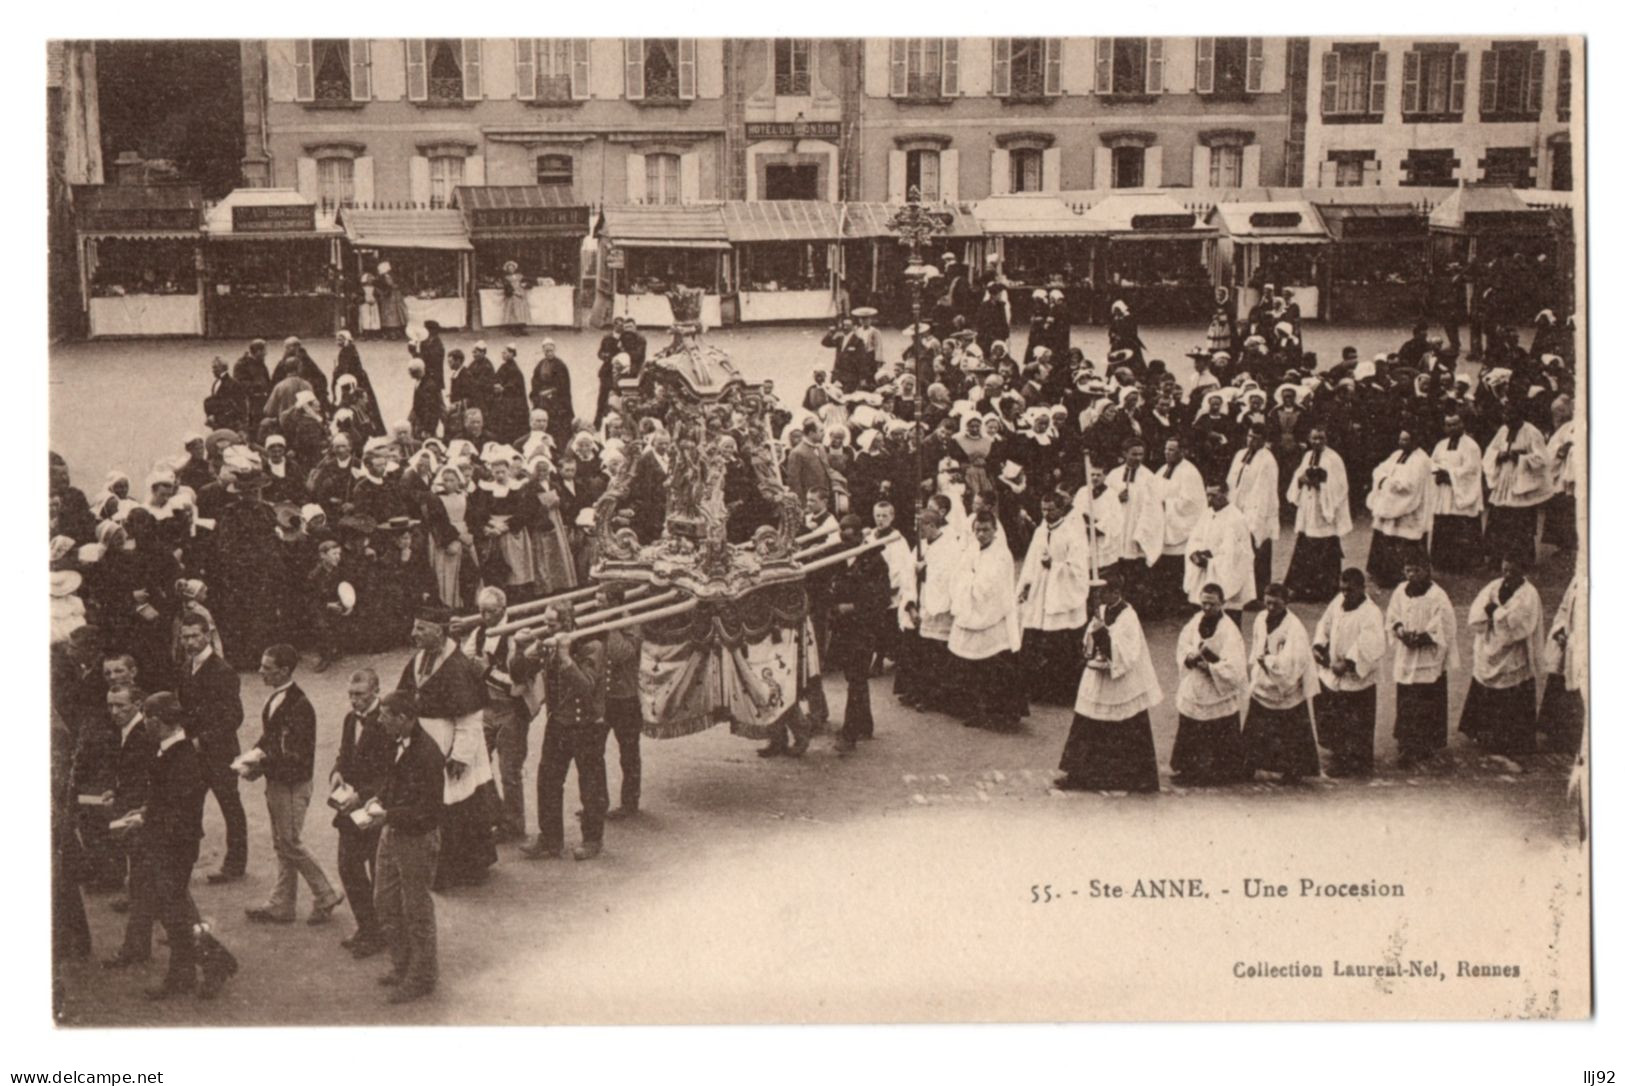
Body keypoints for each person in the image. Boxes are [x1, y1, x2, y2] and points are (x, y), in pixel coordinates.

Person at [128, 693, 239, 1000]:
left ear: (154, 721)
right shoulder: (174, 751)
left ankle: (202, 966)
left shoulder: (181, 757)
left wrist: (145, 822)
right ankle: (194, 969)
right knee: (174, 909)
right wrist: (145, 814)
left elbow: (178, 809)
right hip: (170, 843)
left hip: (173, 846)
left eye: (146, 718)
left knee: (174, 910)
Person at [244, 644, 346, 924]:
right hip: (280, 782)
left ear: (284, 671)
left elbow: (295, 756)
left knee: (290, 842)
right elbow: (270, 737)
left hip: (291, 785)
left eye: (267, 668)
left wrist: (260, 764)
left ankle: (327, 891)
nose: (260, 671)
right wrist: (253, 759)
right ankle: (282, 904)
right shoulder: (279, 698)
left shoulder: (299, 706)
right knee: (282, 843)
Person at [396, 606, 497, 888]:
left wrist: (460, 756)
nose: (413, 634)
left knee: (458, 807)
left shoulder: (458, 666)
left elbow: (469, 717)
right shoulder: (418, 661)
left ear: (438, 631)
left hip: (452, 745)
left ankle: (464, 870)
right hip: (423, 745)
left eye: (421, 629)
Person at [370, 689, 446, 1003]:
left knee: (416, 910)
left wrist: (388, 814)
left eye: (385, 715)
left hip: (415, 838)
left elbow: (428, 811)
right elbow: (392, 779)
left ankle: (422, 976)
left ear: (404, 718)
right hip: (392, 832)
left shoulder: (428, 754)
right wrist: (380, 799)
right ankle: (402, 964)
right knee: (385, 901)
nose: (379, 720)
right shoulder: (397, 741)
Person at [1057, 569, 1162, 793]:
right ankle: (1081, 774)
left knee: (1123, 726)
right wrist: (1092, 642)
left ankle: (1123, 777)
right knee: (1088, 721)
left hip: (1121, 682)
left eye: (1102, 593)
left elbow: (1127, 652)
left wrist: (1103, 635)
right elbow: (1090, 638)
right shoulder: (1102, 610)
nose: (1098, 598)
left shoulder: (1128, 617)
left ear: (1116, 592)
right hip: (1099, 674)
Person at [521, 603, 609, 861]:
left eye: (553, 624)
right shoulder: (548, 643)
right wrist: (523, 650)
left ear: (568, 622)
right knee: (547, 781)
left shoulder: (592, 646)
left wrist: (566, 658)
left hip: (586, 725)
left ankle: (593, 839)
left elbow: (586, 687)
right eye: (546, 623)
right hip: (558, 723)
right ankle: (550, 838)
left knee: (591, 785)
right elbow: (520, 671)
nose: (547, 629)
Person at [175, 613, 246, 884]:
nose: (190, 642)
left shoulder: (222, 671)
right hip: (192, 753)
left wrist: (202, 739)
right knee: (189, 806)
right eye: (185, 637)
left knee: (230, 806)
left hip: (219, 753)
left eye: (195, 636)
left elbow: (233, 717)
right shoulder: (184, 668)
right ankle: (185, 860)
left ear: (207, 635)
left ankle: (235, 863)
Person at [1459, 553, 1544, 768]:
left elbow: (1519, 626)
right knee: (1486, 684)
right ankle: (1484, 733)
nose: (1507, 575)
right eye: (1504, 570)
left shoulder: (1528, 595)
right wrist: (1491, 615)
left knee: (1510, 690)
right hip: (1491, 644)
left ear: (1522, 572)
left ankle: (1510, 739)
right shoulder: (1495, 585)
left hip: (1513, 651)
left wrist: (1496, 612)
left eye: (1512, 572)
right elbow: (1478, 610)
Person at [461, 588, 531, 841]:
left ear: (503, 609)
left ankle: (514, 824)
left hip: (511, 711)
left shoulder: (516, 635)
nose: (485, 616)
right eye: (481, 611)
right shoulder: (478, 632)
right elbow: (465, 660)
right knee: (478, 764)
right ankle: (497, 815)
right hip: (486, 707)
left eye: (491, 611)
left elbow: (517, 684)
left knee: (510, 772)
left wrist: (486, 671)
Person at [949, 510, 1024, 732]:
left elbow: (991, 586)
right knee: (972, 669)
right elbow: (958, 575)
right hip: (970, 612)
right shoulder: (971, 550)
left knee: (993, 668)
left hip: (993, 616)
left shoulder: (1001, 555)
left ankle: (1001, 715)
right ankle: (977, 710)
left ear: (995, 531)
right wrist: (969, 579)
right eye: (977, 530)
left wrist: (971, 579)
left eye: (986, 530)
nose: (981, 535)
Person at [1016, 489, 1092, 706]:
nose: (1046, 513)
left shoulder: (1072, 533)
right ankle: (1037, 690)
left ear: (1061, 509)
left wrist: (1055, 566)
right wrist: (1025, 585)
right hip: (1041, 593)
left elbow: (1078, 567)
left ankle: (1062, 694)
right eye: (1043, 509)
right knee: (1035, 639)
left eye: (1051, 509)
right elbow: (1031, 560)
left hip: (1062, 595)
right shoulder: (1041, 531)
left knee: (1060, 645)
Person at [1311, 568, 1388, 778]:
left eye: (1350, 590)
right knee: (1334, 716)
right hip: (1333, 670)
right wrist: (1320, 646)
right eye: (1343, 589)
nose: (1345, 594)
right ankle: (1339, 754)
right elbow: (1324, 624)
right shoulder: (1338, 601)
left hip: (1354, 677)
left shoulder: (1370, 612)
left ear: (1362, 588)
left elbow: (1370, 643)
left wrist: (1347, 663)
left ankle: (1356, 761)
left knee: (1354, 720)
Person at [1241, 583, 1321, 783]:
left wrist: (1268, 661)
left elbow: (1294, 662)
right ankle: (1249, 764)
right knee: (1257, 727)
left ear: (1286, 603)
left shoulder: (1295, 628)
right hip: (1263, 684)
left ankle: (1293, 769)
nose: (1270, 608)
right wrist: (1256, 665)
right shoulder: (1260, 619)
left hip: (1286, 687)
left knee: (1290, 731)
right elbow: (1257, 644)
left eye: (1275, 604)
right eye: (1267, 603)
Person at [1386, 554, 1460, 768]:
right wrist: (1400, 631)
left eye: (1416, 570)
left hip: (1428, 655)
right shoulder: (1401, 590)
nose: (1412, 575)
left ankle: (1425, 743)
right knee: (1407, 697)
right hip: (1407, 654)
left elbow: (1445, 624)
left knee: (1427, 699)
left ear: (1427, 570)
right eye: (1408, 570)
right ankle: (1406, 741)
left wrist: (1421, 638)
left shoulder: (1437, 596)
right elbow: (1393, 615)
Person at [1170, 585, 1248, 785]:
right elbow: (1184, 643)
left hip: (1216, 687)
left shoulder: (1229, 630)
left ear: (1222, 603)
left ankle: (1221, 771)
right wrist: (1190, 657)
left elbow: (1235, 665)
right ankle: (1188, 769)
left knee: (1218, 730)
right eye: (1203, 602)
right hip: (1196, 683)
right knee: (1191, 725)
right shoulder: (1195, 621)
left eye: (1211, 604)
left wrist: (1211, 668)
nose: (1206, 607)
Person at [829, 514, 892, 753]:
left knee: (856, 678)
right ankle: (864, 724)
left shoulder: (874, 560)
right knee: (854, 677)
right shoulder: (838, 557)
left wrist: (853, 607)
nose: (846, 540)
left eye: (850, 536)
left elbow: (882, 597)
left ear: (860, 536)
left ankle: (849, 734)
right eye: (842, 535)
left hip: (864, 628)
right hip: (843, 628)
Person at [1283, 427, 1352, 603]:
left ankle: (1324, 590)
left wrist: (1320, 483)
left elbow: (1340, 486)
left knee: (1325, 547)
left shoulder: (1333, 458)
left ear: (1326, 439)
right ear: (1309, 438)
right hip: (1309, 506)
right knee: (1305, 545)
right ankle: (1302, 588)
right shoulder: (1307, 456)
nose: (1317, 442)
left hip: (1324, 508)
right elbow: (1298, 475)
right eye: (1314, 438)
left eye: (1321, 438)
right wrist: (1301, 480)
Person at [1483, 405, 1552, 568]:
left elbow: (1542, 459)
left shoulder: (1532, 432)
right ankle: (1496, 559)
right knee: (1499, 518)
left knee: (1519, 521)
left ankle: (1521, 560)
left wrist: (1520, 457)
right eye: (1505, 415)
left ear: (1520, 416)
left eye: (1511, 416)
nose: (1507, 419)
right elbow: (1491, 450)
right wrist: (1498, 455)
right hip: (1504, 479)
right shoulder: (1503, 430)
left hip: (1521, 481)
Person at [1366, 429, 1434, 589]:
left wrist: (1389, 483)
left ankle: (1405, 576)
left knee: (1407, 540)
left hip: (1410, 507)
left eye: (1406, 440)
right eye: (1401, 440)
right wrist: (1386, 481)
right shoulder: (1397, 454)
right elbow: (1379, 470)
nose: (1402, 443)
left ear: (1415, 441)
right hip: (1391, 503)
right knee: (1386, 536)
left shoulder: (1421, 460)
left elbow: (1409, 485)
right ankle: (1384, 575)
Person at [599, 585, 645, 814]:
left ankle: (629, 803)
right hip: (602, 699)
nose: (598, 608)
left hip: (625, 700)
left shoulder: (631, 624)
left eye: (603, 604)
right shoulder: (599, 620)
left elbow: (620, 654)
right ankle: (597, 803)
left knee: (628, 754)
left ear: (615, 604)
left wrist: (610, 625)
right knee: (593, 751)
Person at [1104, 438, 1165, 611]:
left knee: (1134, 574)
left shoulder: (1149, 477)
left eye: (1141, 454)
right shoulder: (1114, 475)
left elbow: (1154, 508)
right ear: (1124, 454)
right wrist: (1116, 498)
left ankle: (1134, 609)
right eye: (1134, 454)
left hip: (1136, 531)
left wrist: (1142, 533)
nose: (1138, 458)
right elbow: (1103, 500)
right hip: (1118, 531)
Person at [1183, 481, 1255, 619]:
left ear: (1225, 494)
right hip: (1205, 573)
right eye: (1208, 495)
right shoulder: (1207, 514)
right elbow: (1195, 539)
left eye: (1214, 495)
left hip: (1225, 577)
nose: (1210, 500)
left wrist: (1211, 562)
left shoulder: (1236, 518)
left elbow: (1235, 554)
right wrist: (1195, 553)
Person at [1153, 436, 1207, 616]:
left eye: (1172, 450)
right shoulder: (1163, 469)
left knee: (1178, 567)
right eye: (1166, 449)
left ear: (1182, 452)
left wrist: (1166, 505)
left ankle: (1180, 604)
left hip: (1181, 527)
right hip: (1165, 524)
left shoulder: (1189, 472)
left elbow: (1191, 502)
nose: (1167, 453)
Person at [1226, 426, 1278, 606]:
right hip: (1238, 509)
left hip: (1257, 513)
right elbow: (1232, 482)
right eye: (1249, 436)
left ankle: (1257, 595)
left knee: (1259, 553)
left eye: (1256, 438)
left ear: (1263, 440)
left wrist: (1252, 519)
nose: (1251, 441)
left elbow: (1263, 492)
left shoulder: (1267, 460)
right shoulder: (1240, 454)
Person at [1429, 412, 1484, 573]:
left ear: (1462, 424)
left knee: (1461, 524)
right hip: (1444, 491)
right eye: (1448, 425)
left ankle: (1465, 564)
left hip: (1461, 491)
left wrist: (1450, 475)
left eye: (1455, 424)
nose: (1452, 428)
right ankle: (1442, 562)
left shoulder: (1471, 446)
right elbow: (1432, 462)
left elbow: (1472, 469)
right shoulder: (1440, 444)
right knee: (1444, 523)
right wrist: (1437, 472)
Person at [1537, 573, 1585, 756]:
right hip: (1567, 644)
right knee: (1560, 684)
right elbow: (1564, 608)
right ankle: (1556, 733)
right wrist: (1560, 630)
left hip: (1582, 647)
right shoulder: (1576, 578)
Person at [529, 339, 575, 456]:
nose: (549, 353)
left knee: (558, 428)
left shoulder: (560, 365)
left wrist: (551, 391)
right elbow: (535, 381)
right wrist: (537, 394)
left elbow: (563, 385)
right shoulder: (540, 364)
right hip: (543, 401)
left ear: (554, 350)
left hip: (557, 402)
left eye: (551, 350)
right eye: (546, 351)